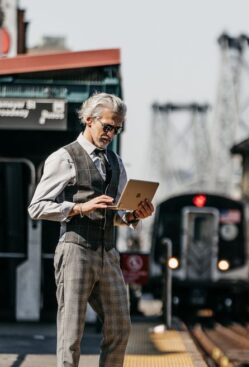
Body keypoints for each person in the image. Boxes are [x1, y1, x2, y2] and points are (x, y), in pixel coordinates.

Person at [28, 93, 154, 367]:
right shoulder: (65, 158)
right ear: (88, 120)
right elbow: (36, 207)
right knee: (71, 333)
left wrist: (134, 214)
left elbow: (119, 213)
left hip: (107, 252)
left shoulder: (116, 163)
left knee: (120, 327)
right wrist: (79, 207)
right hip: (75, 249)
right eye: (107, 126)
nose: (111, 134)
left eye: (116, 128)